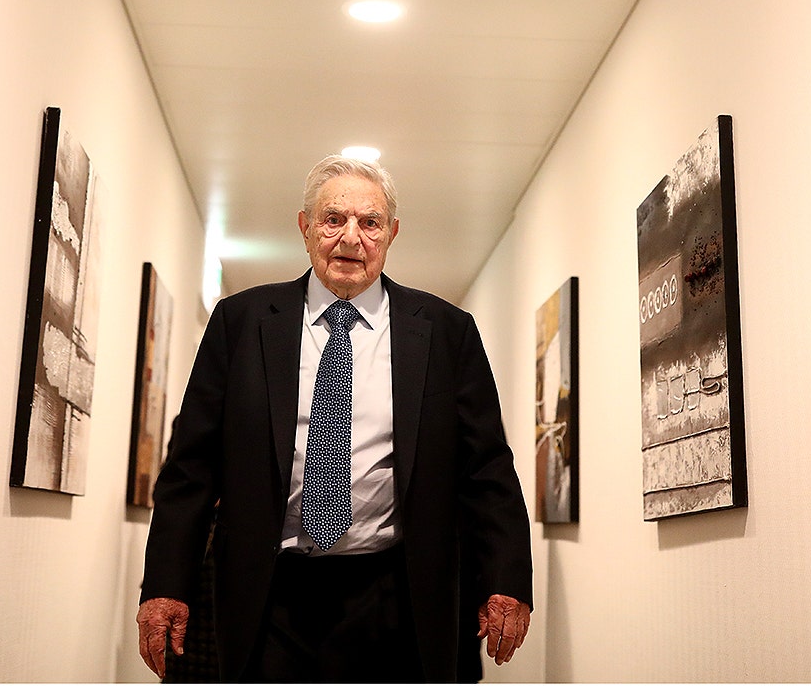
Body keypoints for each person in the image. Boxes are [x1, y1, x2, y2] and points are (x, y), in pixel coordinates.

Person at [136, 155, 533, 682]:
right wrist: (166, 584)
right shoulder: (242, 322)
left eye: (369, 223)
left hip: (398, 595)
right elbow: (191, 467)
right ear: (305, 227)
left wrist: (505, 579)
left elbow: (487, 469)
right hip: (270, 593)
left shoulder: (445, 331)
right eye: (333, 219)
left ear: (391, 234)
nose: (351, 238)